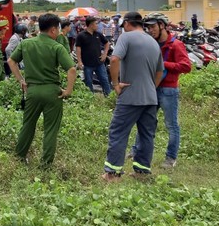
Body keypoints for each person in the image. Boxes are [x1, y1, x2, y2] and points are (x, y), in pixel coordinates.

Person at [9, 13, 76, 168]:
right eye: (58, 29)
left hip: (32, 90)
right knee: (50, 129)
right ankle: (45, 164)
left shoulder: (26, 43)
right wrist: (68, 90)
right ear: (53, 30)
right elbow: (71, 69)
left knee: (28, 125)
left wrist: (21, 80)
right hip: (52, 91)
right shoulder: (57, 47)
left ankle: (19, 156)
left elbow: (11, 60)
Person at [102, 11, 164, 181]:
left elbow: (114, 60)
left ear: (128, 23)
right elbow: (160, 71)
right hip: (151, 98)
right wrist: (151, 87)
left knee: (118, 132)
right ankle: (142, 171)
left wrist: (115, 84)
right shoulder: (153, 42)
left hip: (130, 95)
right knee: (146, 135)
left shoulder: (126, 37)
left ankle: (113, 173)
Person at [131, 12, 192, 169]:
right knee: (145, 121)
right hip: (152, 88)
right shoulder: (151, 43)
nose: (150, 30)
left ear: (162, 25)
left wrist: (164, 64)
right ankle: (135, 150)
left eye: (153, 27)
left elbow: (186, 66)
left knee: (171, 125)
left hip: (168, 90)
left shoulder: (176, 45)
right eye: (148, 27)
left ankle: (170, 158)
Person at [75, 16, 111, 97]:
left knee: (104, 80)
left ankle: (108, 97)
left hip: (99, 63)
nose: (97, 25)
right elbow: (78, 49)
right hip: (87, 64)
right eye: (95, 24)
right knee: (88, 82)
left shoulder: (98, 34)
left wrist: (104, 54)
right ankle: (90, 98)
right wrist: (79, 61)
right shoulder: (81, 35)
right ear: (91, 25)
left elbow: (106, 43)